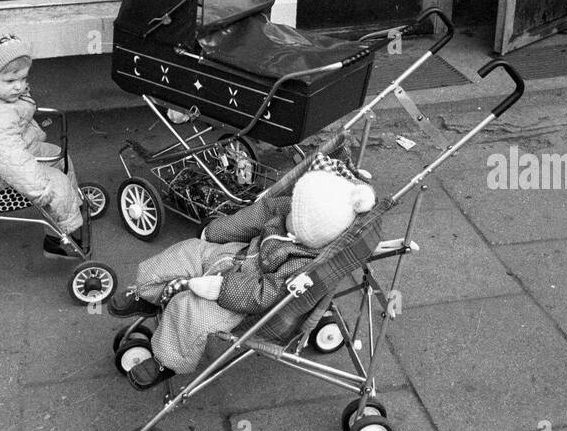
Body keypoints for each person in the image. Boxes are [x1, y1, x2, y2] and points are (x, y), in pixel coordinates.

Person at [109, 161, 375, 389]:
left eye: (295, 213)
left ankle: (167, 361)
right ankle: (145, 294)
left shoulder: (301, 262)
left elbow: (265, 293)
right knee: (183, 252)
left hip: (240, 298)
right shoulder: (289, 210)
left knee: (190, 310)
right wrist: (215, 233)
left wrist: (221, 289)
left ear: (312, 232)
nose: (289, 211)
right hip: (233, 254)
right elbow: (254, 217)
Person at [0, 20, 84, 257]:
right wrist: (39, 189)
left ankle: (72, 207)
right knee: (57, 186)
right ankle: (61, 241)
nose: (19, 87)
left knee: (61, 156)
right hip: (7, 170)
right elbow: (10, 159)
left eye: (23, 79)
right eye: (10, 81)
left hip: (24, 148)